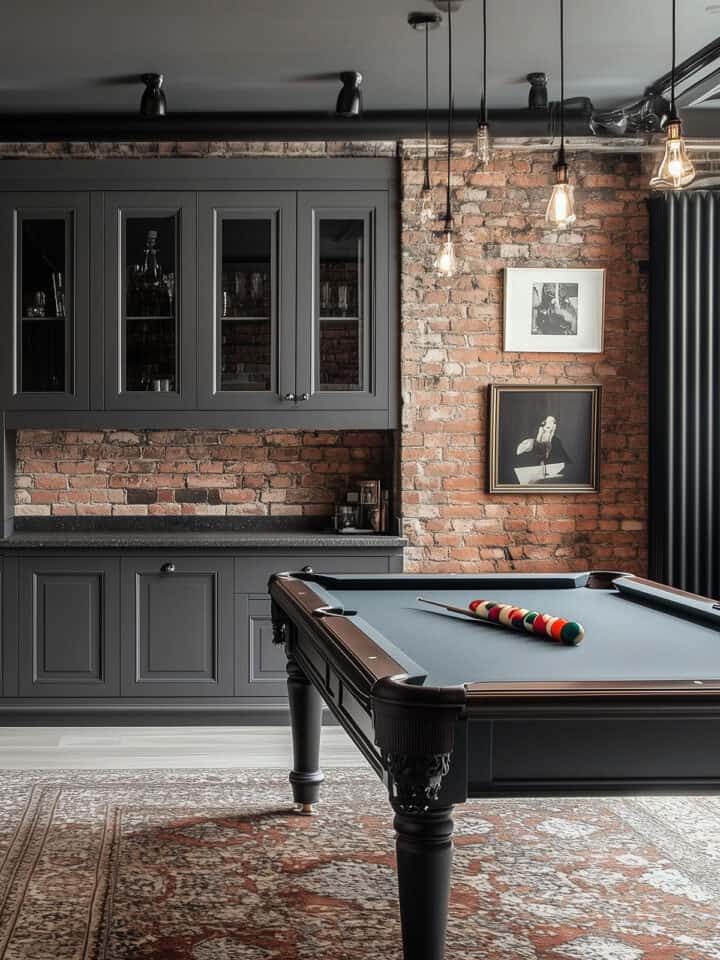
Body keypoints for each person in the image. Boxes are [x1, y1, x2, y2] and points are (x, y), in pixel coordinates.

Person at [514, 415, 572, 483]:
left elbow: (564, 460)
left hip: (551, 474)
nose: (548, 425)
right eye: (547, 422)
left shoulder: (556, 441)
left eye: (552, 422)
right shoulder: (535, 441)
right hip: (536, 475)